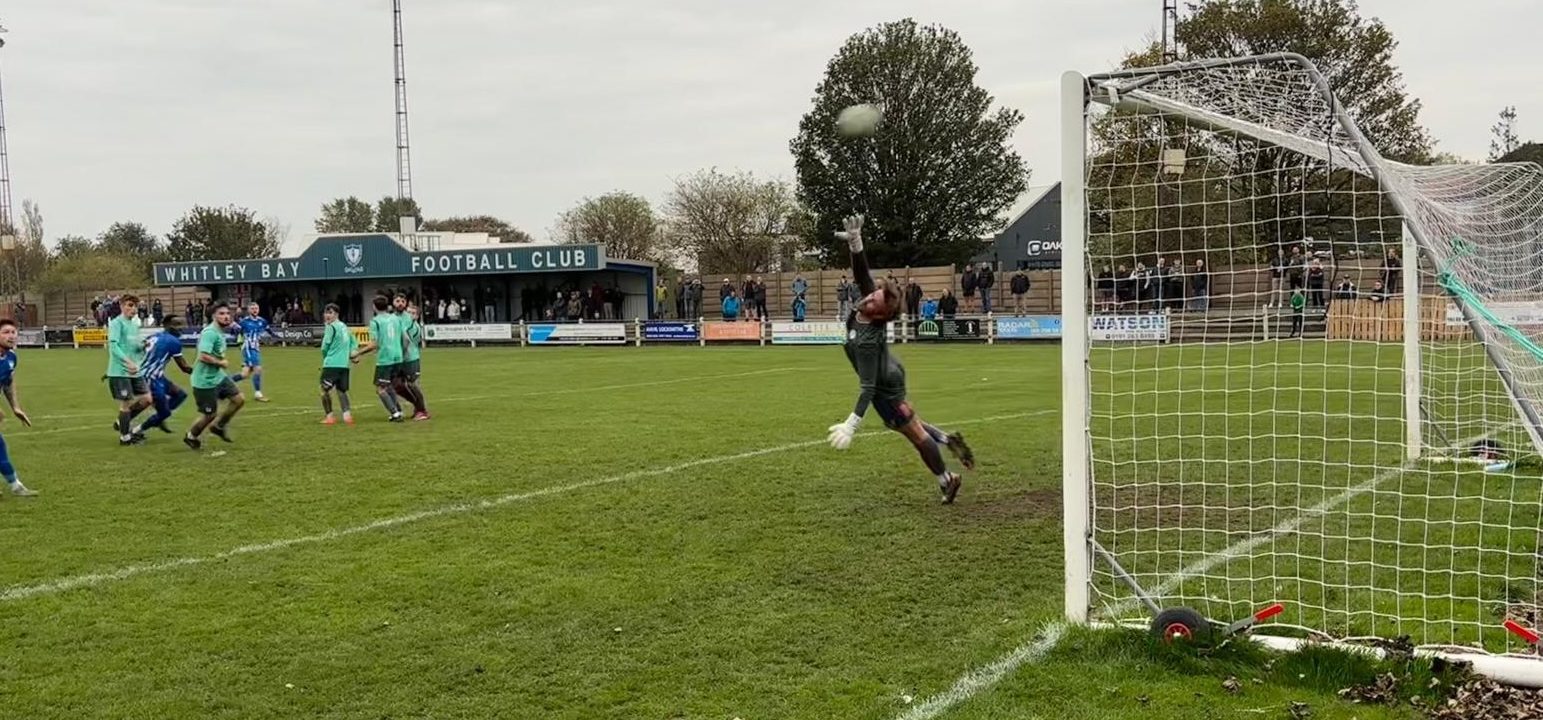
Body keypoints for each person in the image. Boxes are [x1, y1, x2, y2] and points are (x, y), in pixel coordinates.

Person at [825, 215, 974, 504]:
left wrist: (851, 424)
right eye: (871, 298)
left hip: (884, 385)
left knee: (913, 433)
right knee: (906, 422)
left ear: (880, 316)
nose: (866, 300)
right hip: (889, 370)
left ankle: (947, 480)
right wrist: (856, 243)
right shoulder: (870, 304)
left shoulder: (869, 340)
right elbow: (862, 276)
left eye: (873, 302)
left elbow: (867, 387)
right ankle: (947, 440)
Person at [185, 303, 246, 450]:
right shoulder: (210, 333)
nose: (226, 316)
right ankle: (191, 436)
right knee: (210, 415)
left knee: (238, 400)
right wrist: (220, 363)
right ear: (213, 316)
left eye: (227, 313)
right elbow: (203, 356)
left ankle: (218, 426)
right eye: (221, 314)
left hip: (218, 377)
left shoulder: (219, 331)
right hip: (204, 381)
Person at [133, 315, 193, 436]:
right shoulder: (173, 341)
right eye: (177, 325)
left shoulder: (153, 336)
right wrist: (200, 372)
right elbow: (184, 367)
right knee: (164, 412)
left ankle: (158, 418)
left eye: (181, 325)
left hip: (155, 376)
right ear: (167, 325)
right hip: (151, 378)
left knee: (179, 395)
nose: (181, 328)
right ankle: (135, 430)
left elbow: (138, 352)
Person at [351, 296, 407, 422]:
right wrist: (401, 352)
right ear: (388, 306)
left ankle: (395, 414)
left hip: (385, 359)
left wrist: (358, 353)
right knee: (389, 385)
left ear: (374, 307)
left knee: (380, 388)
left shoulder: (375, 321)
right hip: (398, 357)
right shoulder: (396, 318)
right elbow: (404, 339)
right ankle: (398, 410)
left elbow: (374, 344)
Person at [106, 294, 151, 446]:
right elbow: (114, 346)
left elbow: (134, 345)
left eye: (135, 306)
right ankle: (125, 438)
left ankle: (122, 421)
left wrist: (142, 346)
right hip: (120, 371)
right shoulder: (116, 323)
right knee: (126, 403)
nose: (133, 309)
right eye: (130, 305)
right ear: (121, 306)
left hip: (135, 370)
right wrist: (128, 362)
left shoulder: (134, 325)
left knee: (147, 399)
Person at [0, 320, 37, 498]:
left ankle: (15, 485)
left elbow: (8, 383)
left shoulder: (11, 358)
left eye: (14, 332)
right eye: (6, 332)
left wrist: (15, 407)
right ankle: (16, 485)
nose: (11, 336)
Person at [319, 303, 357, 426]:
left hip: (331, 364)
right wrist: (353, 353)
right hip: (344, 365)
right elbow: (353, 341)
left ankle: (329, 416)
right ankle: (347, 416)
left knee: (324, 390)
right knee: (341, 390)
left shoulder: (331, 327)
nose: (328, 316)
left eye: (331, 313)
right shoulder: (344, 327)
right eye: (326, 313)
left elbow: (324, 347)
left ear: (336, 314)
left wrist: (326, 358)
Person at [393, 296, 430, 421]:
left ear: (417, 316)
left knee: (413, 384)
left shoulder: (414, 327)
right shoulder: (399, 320)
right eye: (409, 312)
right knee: (397, 385)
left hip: (410, 358)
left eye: (413, 313)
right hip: (400, 358)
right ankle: (417, 407)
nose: (410, 315)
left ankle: (422, 410)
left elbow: (406, 341)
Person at [232, 302, 276, 402]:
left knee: (245, 374)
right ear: (248, 310)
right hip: (248, 348)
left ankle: (224, 383)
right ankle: (258, 393)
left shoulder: (262, 321)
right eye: (252, 308)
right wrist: (234, 326)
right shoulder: (244, 321)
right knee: (258, 369)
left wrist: (275, 336)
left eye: (256, 308)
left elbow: (268, 329)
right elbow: (236, 332)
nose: (254, 310)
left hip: (256, 348)